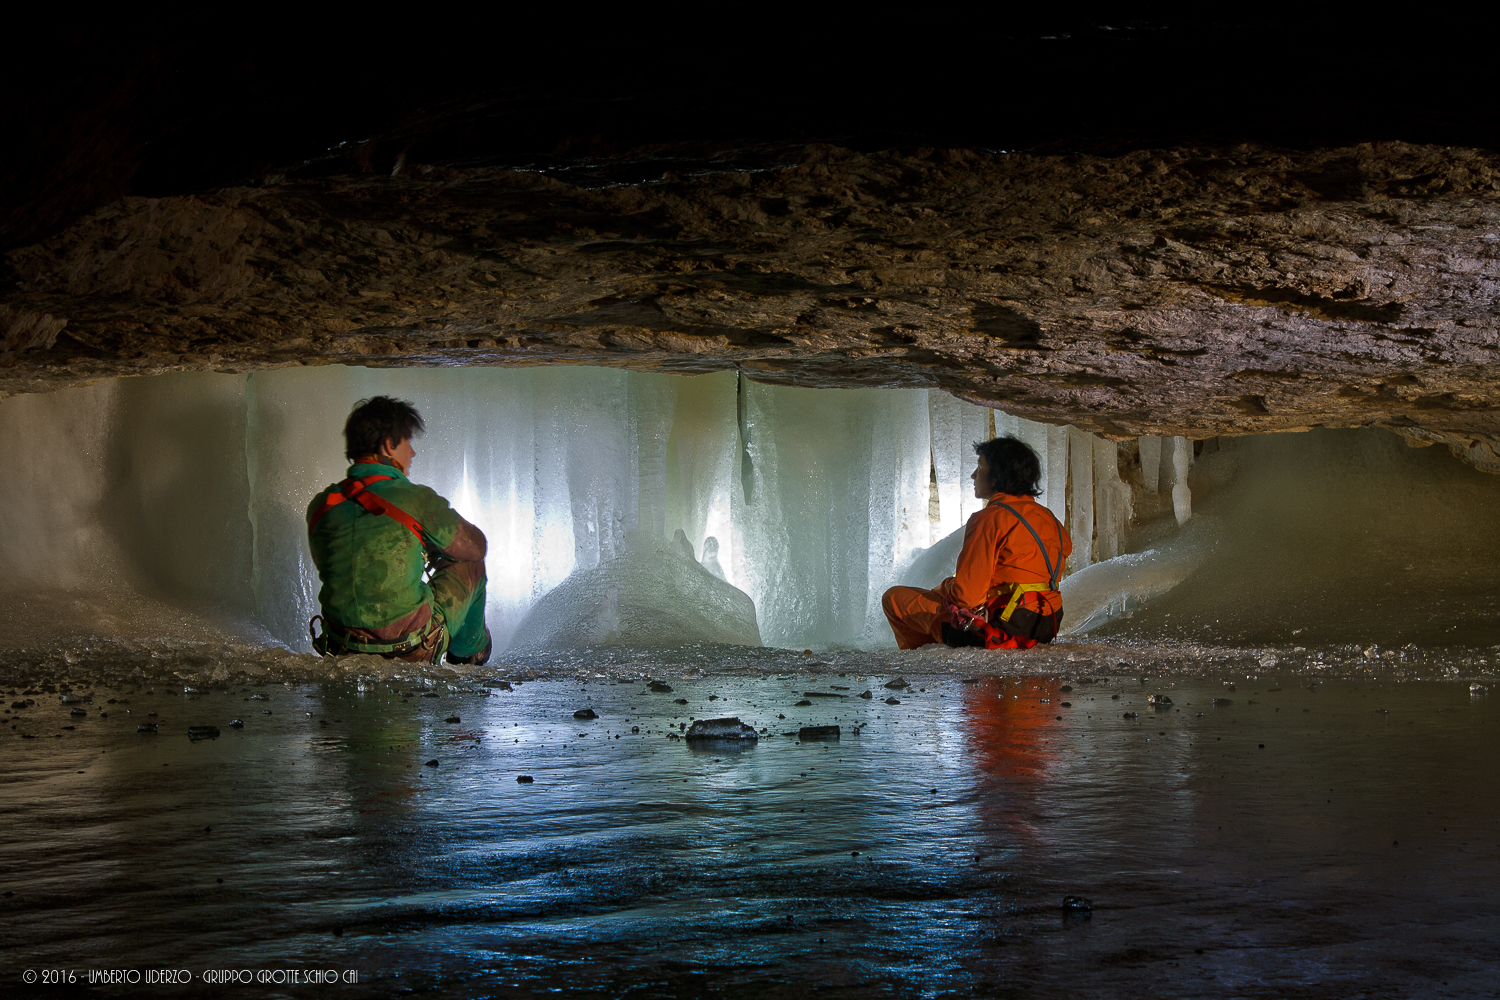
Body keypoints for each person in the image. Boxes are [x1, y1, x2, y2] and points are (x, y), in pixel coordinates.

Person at [306, 396, 491, 665]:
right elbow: (477, 546)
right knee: (472, 565)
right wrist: (434, 547)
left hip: (340, 646)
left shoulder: (322, 506)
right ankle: (469, 654)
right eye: (407, 442)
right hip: (410, 648)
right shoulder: (415, 499)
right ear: (389, 444)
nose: (412, 453)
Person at [883, 436, 1071, 650]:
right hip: (1047, 625)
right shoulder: (1051, 520)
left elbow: (967, 597)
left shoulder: (989, 519)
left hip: (1004, 628)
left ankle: (923, 665)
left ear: (996, 476)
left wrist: (944, 587)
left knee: (895, 598)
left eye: (980, 468)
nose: (973, 475)